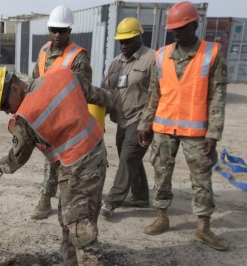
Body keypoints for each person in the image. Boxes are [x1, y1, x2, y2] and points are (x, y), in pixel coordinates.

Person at [0, 66, 122, 266]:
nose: (8, 111)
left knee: (79, 227)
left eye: (5, 105)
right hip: (94, 154)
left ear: (15, 88)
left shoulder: (26, 116)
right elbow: (99, 96)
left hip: (78, 165)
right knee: (68, 215)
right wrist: (119, 107)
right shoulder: (63, 76)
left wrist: (2, 164)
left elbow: (17, 158)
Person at [137, 1, 228, 250]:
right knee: (161, 173)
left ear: (194, 25)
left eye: (181, 28)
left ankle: (203, 228)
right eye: (173, 29)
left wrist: (214, 132)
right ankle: (162, 216)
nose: (175, 33)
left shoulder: (211, 54)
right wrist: (145, 125)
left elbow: (218, 95)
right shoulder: (161, 55)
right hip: (164, 129)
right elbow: (153, 94)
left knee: (201, 179)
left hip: (197, 133)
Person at [31, 4, 93, 221]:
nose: (57, 34)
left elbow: (84, 91)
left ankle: (70, 202)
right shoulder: (43, 52)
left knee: (70, 163)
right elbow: (34, 81)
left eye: (62, 30)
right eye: (54, 29)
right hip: (44, 119)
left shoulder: (78, 57)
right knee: (49, 159)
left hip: (67, 121)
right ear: (49, 28)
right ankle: (46, 199)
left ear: (70, 31)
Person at [100, 18, 155, 218]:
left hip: (141, 121)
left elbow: (159, 92)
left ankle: (112, 201)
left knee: (127, 159)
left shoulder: (151, 59)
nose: (124, 45)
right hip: (122, 121)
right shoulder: (116, 63)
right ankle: (140, 196)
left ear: (139, 37)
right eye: (121, 42)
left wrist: (148, 124)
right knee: (131, 158)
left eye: (129, 41)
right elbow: (106, 91)